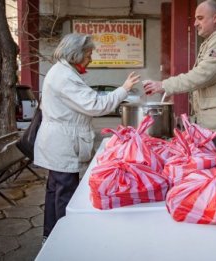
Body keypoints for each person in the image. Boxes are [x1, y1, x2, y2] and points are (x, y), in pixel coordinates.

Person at [34, 33, 140, 243]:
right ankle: (66, 240)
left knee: (54, 189)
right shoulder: (64, 76)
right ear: (76, 54)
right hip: (61, 142)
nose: (91, 58)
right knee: (65, 192)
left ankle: (50, 235)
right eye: (89, 54)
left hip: (57, 141)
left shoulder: (62, 71)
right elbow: (95, 106)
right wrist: (123, 89)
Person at [143, 0, 216, 166]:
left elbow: (202, 75)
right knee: (215, 174)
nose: (195, 23)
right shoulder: (213, 40)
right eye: (195, 18)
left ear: (215, 18)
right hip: (214, 122)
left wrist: (164, 85)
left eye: (200, 18)